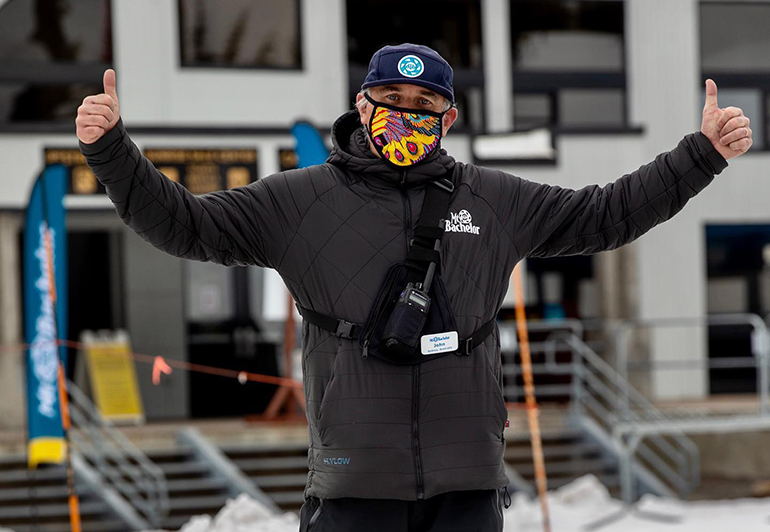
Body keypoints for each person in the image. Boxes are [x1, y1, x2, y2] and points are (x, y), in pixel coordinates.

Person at [76, 43, 752, 532]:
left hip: (468, 489)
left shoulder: (493, 200)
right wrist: (113, 152)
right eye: (391, 103)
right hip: (351, 488)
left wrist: (700, 155)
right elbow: (185, 225)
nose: (406, 116)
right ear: (361, 106)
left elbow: (607, 213)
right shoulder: (299, 201)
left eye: (424, 106)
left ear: (449, 119)